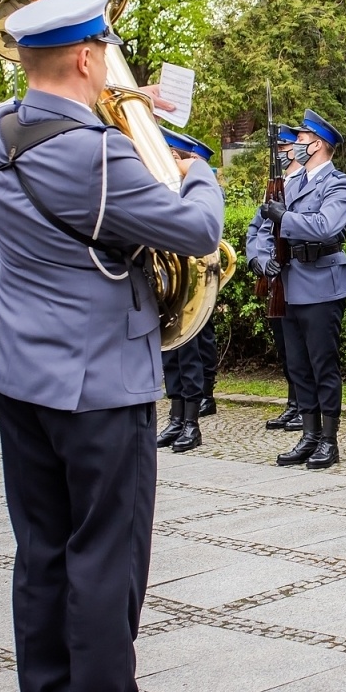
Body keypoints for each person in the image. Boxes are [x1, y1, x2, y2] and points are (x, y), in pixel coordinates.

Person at [0, 0, 223, 692]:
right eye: (106, 56)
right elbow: (197, 229)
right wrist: (194, 169)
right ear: (87, 57)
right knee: (106, 553)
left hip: (20, 371)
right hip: (98, 379)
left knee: (42, 549)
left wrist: (124, 108)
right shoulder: (93, 150)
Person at [262, 109, 346, 470]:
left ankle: (328, 441)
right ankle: (309, 435)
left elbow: (325, 227)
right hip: (290, 281)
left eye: (300, 140)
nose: (294, 146)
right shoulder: (288, 183)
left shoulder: (338, 184)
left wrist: (284, 218)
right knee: (298, 366)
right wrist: (260, 256)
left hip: (321, 284)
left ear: (317, 144)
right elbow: (262, 228)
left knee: (322, 365)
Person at [154, 128, 220, 454]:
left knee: (190, 356)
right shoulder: (165, 188)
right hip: (170, 285)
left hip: (192, 286)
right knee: (171, 356)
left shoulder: (193, 191)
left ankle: (192, 423)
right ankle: (176, 416)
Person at [247, 123, 303, 432]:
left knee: (299, 348)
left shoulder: (300, 184)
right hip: (274, 278)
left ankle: (304, 406)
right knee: (284, 346)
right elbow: (256, 229)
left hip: (294, 275)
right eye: (277, 149)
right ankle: (293, 403)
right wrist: (258, 259)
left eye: (283, 148)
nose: (279, 154)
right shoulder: (275, 187)